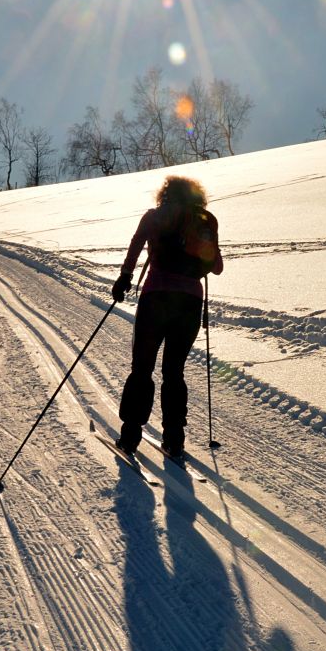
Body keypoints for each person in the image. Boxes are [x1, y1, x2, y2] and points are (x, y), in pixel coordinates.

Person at [111, 175, 223, 458]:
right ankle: (174, 439)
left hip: (156, 298)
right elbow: (217, 267)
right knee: (174, 371)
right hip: (189, 303)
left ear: (165, 194)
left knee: (143, 367)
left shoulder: (154, 216)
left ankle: (130, 436)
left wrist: (124, 279)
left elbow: (136, 246)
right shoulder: (204, 221)